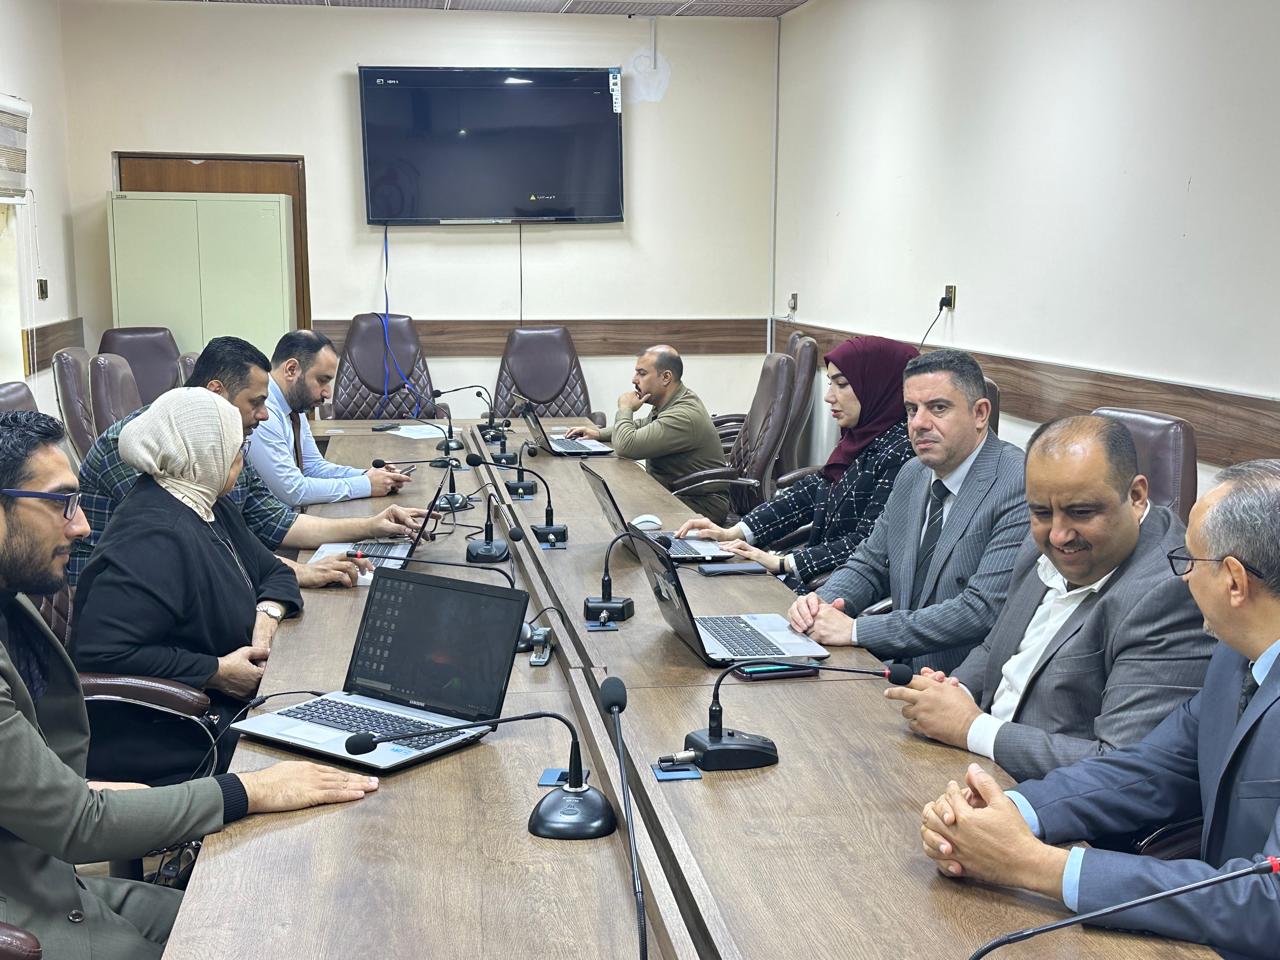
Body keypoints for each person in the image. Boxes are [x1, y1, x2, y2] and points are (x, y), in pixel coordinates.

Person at [0, 410, 377, 960]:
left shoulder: (11, 602)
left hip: (52, 879)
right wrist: (253, 790)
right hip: (27, 918)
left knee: (268, 922)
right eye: (61, 503)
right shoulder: (150, 531)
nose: (81, 527)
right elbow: (78, 824)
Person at [919, 460, 1280, 960]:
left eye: (1190, 561)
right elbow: (1150, 768)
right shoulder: (1234, 656)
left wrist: (1034, 865)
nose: (1181, 579)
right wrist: (1010, 812)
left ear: (1235, 581)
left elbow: (1269, 901)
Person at [886, 415, 1213, 781]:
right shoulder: (1042, 544)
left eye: (1081, 512)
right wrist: (953, 691)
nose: (1058, 535)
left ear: (1136, 497)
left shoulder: (1172, 592)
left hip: (1048, 797)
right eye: (1041, 512)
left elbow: (1122, 766)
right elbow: (996, 648)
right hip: (972, 764)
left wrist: (969, 726)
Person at [72, 389, 303, 785]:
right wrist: (217, 671)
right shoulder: (153, 537)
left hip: (231, 703)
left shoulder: (209, 502)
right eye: (236, 448)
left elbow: (277, 573)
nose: (241, 458)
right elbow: (103, 653)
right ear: (203, 452)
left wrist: (266, 616)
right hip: (172, 730)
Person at [70, 336, 421, 589]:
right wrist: (296, 573)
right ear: (216, 392)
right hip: (124, 603)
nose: (265, 415)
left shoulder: (226, 443)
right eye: (255, 402)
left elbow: (277, 522)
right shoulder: (140, 448)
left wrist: (372, 526)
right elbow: (200, 549)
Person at [787, 349, 1027, 674]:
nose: (919, 424)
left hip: (957, 686)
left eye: (938, 408)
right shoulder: (913, 473)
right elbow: (869, 564)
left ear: (980, 413)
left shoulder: (1017, 483)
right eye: (912, 409)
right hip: (894, 672)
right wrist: (820, 606)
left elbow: (979, 610)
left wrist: (856, 631)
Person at [675, 335, 917, 585]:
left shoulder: (902, 455)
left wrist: (783, 563)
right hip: (817, 575)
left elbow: (868, 543)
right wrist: (733, 533)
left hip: (839, 589)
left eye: (842, 384)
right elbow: (809, 494)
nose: (828, 396)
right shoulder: (860, 437)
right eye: (830, 383)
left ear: (877, 385)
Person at [564, 345, 729, 522]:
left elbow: (626, 447)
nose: (634, 379)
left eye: (641, 373)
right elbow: (643, 425)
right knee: (611, 503)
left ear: (666, 377)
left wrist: (625, 408)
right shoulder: (672, 399)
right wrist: (597, 434)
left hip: (698, 506)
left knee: (612, 510)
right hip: (672, 492)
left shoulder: (683, 414)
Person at [247, 330, 411, 507]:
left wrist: (369, 475)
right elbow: (293, 491)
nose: (328, 393)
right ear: (291, 370)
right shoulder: (263, 413)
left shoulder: (294, 406)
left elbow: (313, 467)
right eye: (322, 380)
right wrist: (367, 485)